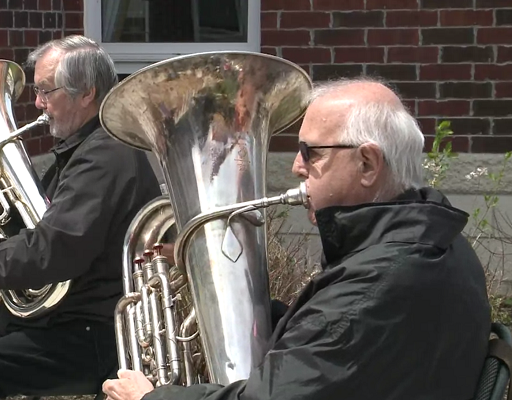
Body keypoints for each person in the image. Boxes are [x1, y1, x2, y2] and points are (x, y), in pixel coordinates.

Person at [102, 77, 492, 400]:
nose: (296, 166)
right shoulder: (436, 241)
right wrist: (211, 283)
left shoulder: (376, 284)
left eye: (311, 153)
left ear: (368, 164)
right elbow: (329, 339)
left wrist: (151, 398)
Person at [0, 35, 162, 400]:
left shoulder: (106, 157)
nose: (37, 104)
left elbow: (52, 253)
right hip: (62, 315)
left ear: (87, 94)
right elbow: (43, 227)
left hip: (95, 331)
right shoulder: (81, 149)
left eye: (46, 91)